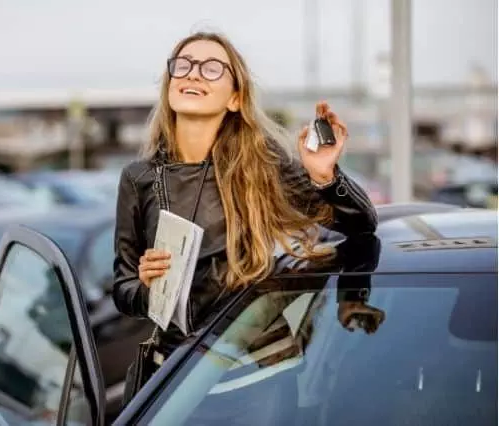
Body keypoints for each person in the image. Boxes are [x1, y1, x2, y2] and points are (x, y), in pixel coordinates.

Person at [113, 32, 378, 364]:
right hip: (177, 377)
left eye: (211, 68)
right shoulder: (138, 178)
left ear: (235, 99)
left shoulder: (264, 166)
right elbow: (124, 292)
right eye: (183, 66)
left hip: (261, 366)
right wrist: (146, 286)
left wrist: (325, 176)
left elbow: (362, 225)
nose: (193, 73)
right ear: (169, 85)